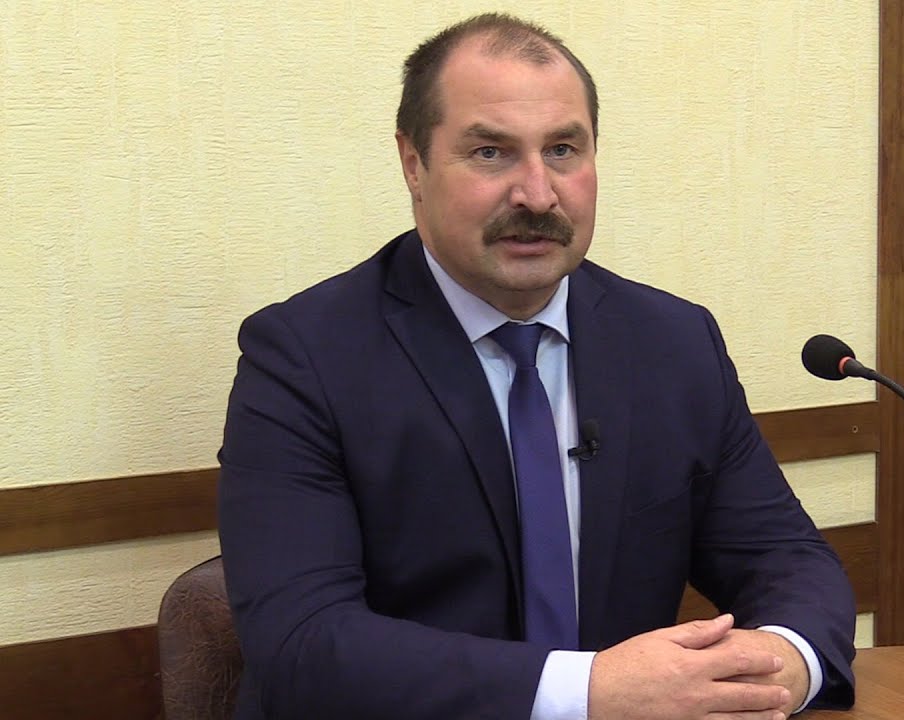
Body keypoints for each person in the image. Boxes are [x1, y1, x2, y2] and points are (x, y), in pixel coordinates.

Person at [217, 12, 856, 720]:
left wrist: (785, 663)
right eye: (491, 152)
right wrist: (588, 692)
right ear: (413, 163)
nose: (538, 194)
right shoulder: (303, 357)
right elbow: (303, 645)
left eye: (562, 150)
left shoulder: (674, 342)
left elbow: (787, 560)